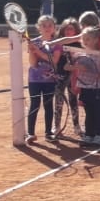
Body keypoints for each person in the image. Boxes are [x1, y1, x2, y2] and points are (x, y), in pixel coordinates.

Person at [68, 26, 100, 146]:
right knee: (89, 112)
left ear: (96, 40)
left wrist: (92, 69)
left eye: (88, 39)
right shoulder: (79, 54)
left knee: (99, 112)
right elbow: (70, 67)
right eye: (83, 39)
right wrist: (71, 67)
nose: (85, 41)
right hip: (85, 88)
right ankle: (89, 134)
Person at [27, 15, 60, 143]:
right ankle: (30, 133)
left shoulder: (57, 43)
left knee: (48, 105)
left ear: (54, 28)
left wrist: (38, 51)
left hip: (50, 80)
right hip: (34, 79)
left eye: (50, 25)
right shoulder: (33, 42)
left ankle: (48, 133)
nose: (47, 28)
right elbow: (33, 64)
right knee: (34, 105)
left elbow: (54, 61)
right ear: (39, 27)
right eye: (44, 25)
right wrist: (32, 51)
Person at [53, 17, 82, 138]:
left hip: (73, 76)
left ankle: (77, 126)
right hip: (60, 75)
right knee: (58, 101)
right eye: (66, 29)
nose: (68, 31)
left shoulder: (79, 44)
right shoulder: (58, 42)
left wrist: (74, 67)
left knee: (73, 100)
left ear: (76, 30)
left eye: (71, 29)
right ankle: (57, 127)